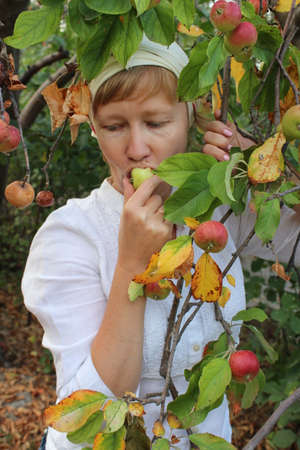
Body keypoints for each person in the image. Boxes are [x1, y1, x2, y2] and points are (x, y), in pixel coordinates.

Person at [22, 36, 300, 450]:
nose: (137, 149)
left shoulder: (221, 208)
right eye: (115, 126)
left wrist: (267, 172)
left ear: (190, 119)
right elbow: (94, 413)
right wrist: (131, 263)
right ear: (95, 131)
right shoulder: (71, 235)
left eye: (156, 123)